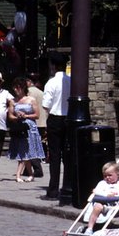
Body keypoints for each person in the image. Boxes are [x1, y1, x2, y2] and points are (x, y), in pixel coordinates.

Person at [40, 52, 70, 201]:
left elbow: (46, 105)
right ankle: (68, 186)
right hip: (68, 119)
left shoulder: (51, 83)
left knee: (55, 156)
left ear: (53, 66)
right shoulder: (71, 81)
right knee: (68, 155)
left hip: (55, 119)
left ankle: (53, 190)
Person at [7, 77, 45, 182]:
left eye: (18, 87)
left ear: (23, 88)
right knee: (23, 151)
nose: (15, 90)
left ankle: (19, 175)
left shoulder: (31, 100)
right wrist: (17, 117)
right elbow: (10, 116)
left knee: (27, 151)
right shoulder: (13, 101)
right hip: (19, 128)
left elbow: (37, 115)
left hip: (30, 128)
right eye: (14, 87)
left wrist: (26, 116)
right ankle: (29, 174)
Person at [84, 161, 119, 236]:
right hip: (100, 203)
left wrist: (113, 196)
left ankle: (106, 211)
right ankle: (90, 228)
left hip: (113, 204)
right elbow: (96, 191)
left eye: (110, 175)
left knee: (101, 205)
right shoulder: (102, 183)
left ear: (117, 174)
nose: (107, 177)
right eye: (105, 176)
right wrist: (106, 195)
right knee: (98, 206)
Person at [26, 74, 46, 178]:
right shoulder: (41, 92)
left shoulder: (29, 93)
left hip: (33, 122)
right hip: (42, 122)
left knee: (31, 147)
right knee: (35, 146)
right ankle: (27, 169)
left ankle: (37, 169)